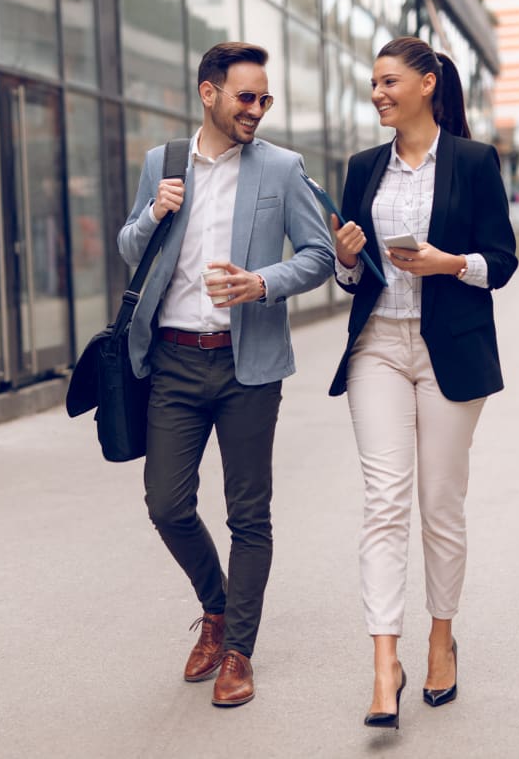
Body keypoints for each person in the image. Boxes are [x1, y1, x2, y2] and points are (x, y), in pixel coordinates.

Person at [117, 42, 333, 707]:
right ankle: (215, 606)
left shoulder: (282, 168)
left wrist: (262, 282)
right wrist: (153, 213)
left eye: (265, 98)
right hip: (175, 361)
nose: (258, 109)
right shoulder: (162, 163)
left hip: (249, 366)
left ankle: (238, 648)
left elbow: (320, 254)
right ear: (209, 93)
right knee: (167, 503)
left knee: (249, 513)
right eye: (247, 97)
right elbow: (130, 249)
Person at [328, 37, 518, 729]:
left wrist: (448, 263)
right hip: (377, 344)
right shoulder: (362, 167)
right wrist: (347, 260)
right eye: (373, 84)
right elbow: (351, 278)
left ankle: (441, 637)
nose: (378, 93)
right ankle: (385, 663)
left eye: (388, 81)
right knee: (384, 501)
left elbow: (501, 261)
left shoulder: (473, 161)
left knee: (440, 503)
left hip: (450, 353)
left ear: (428, 83)